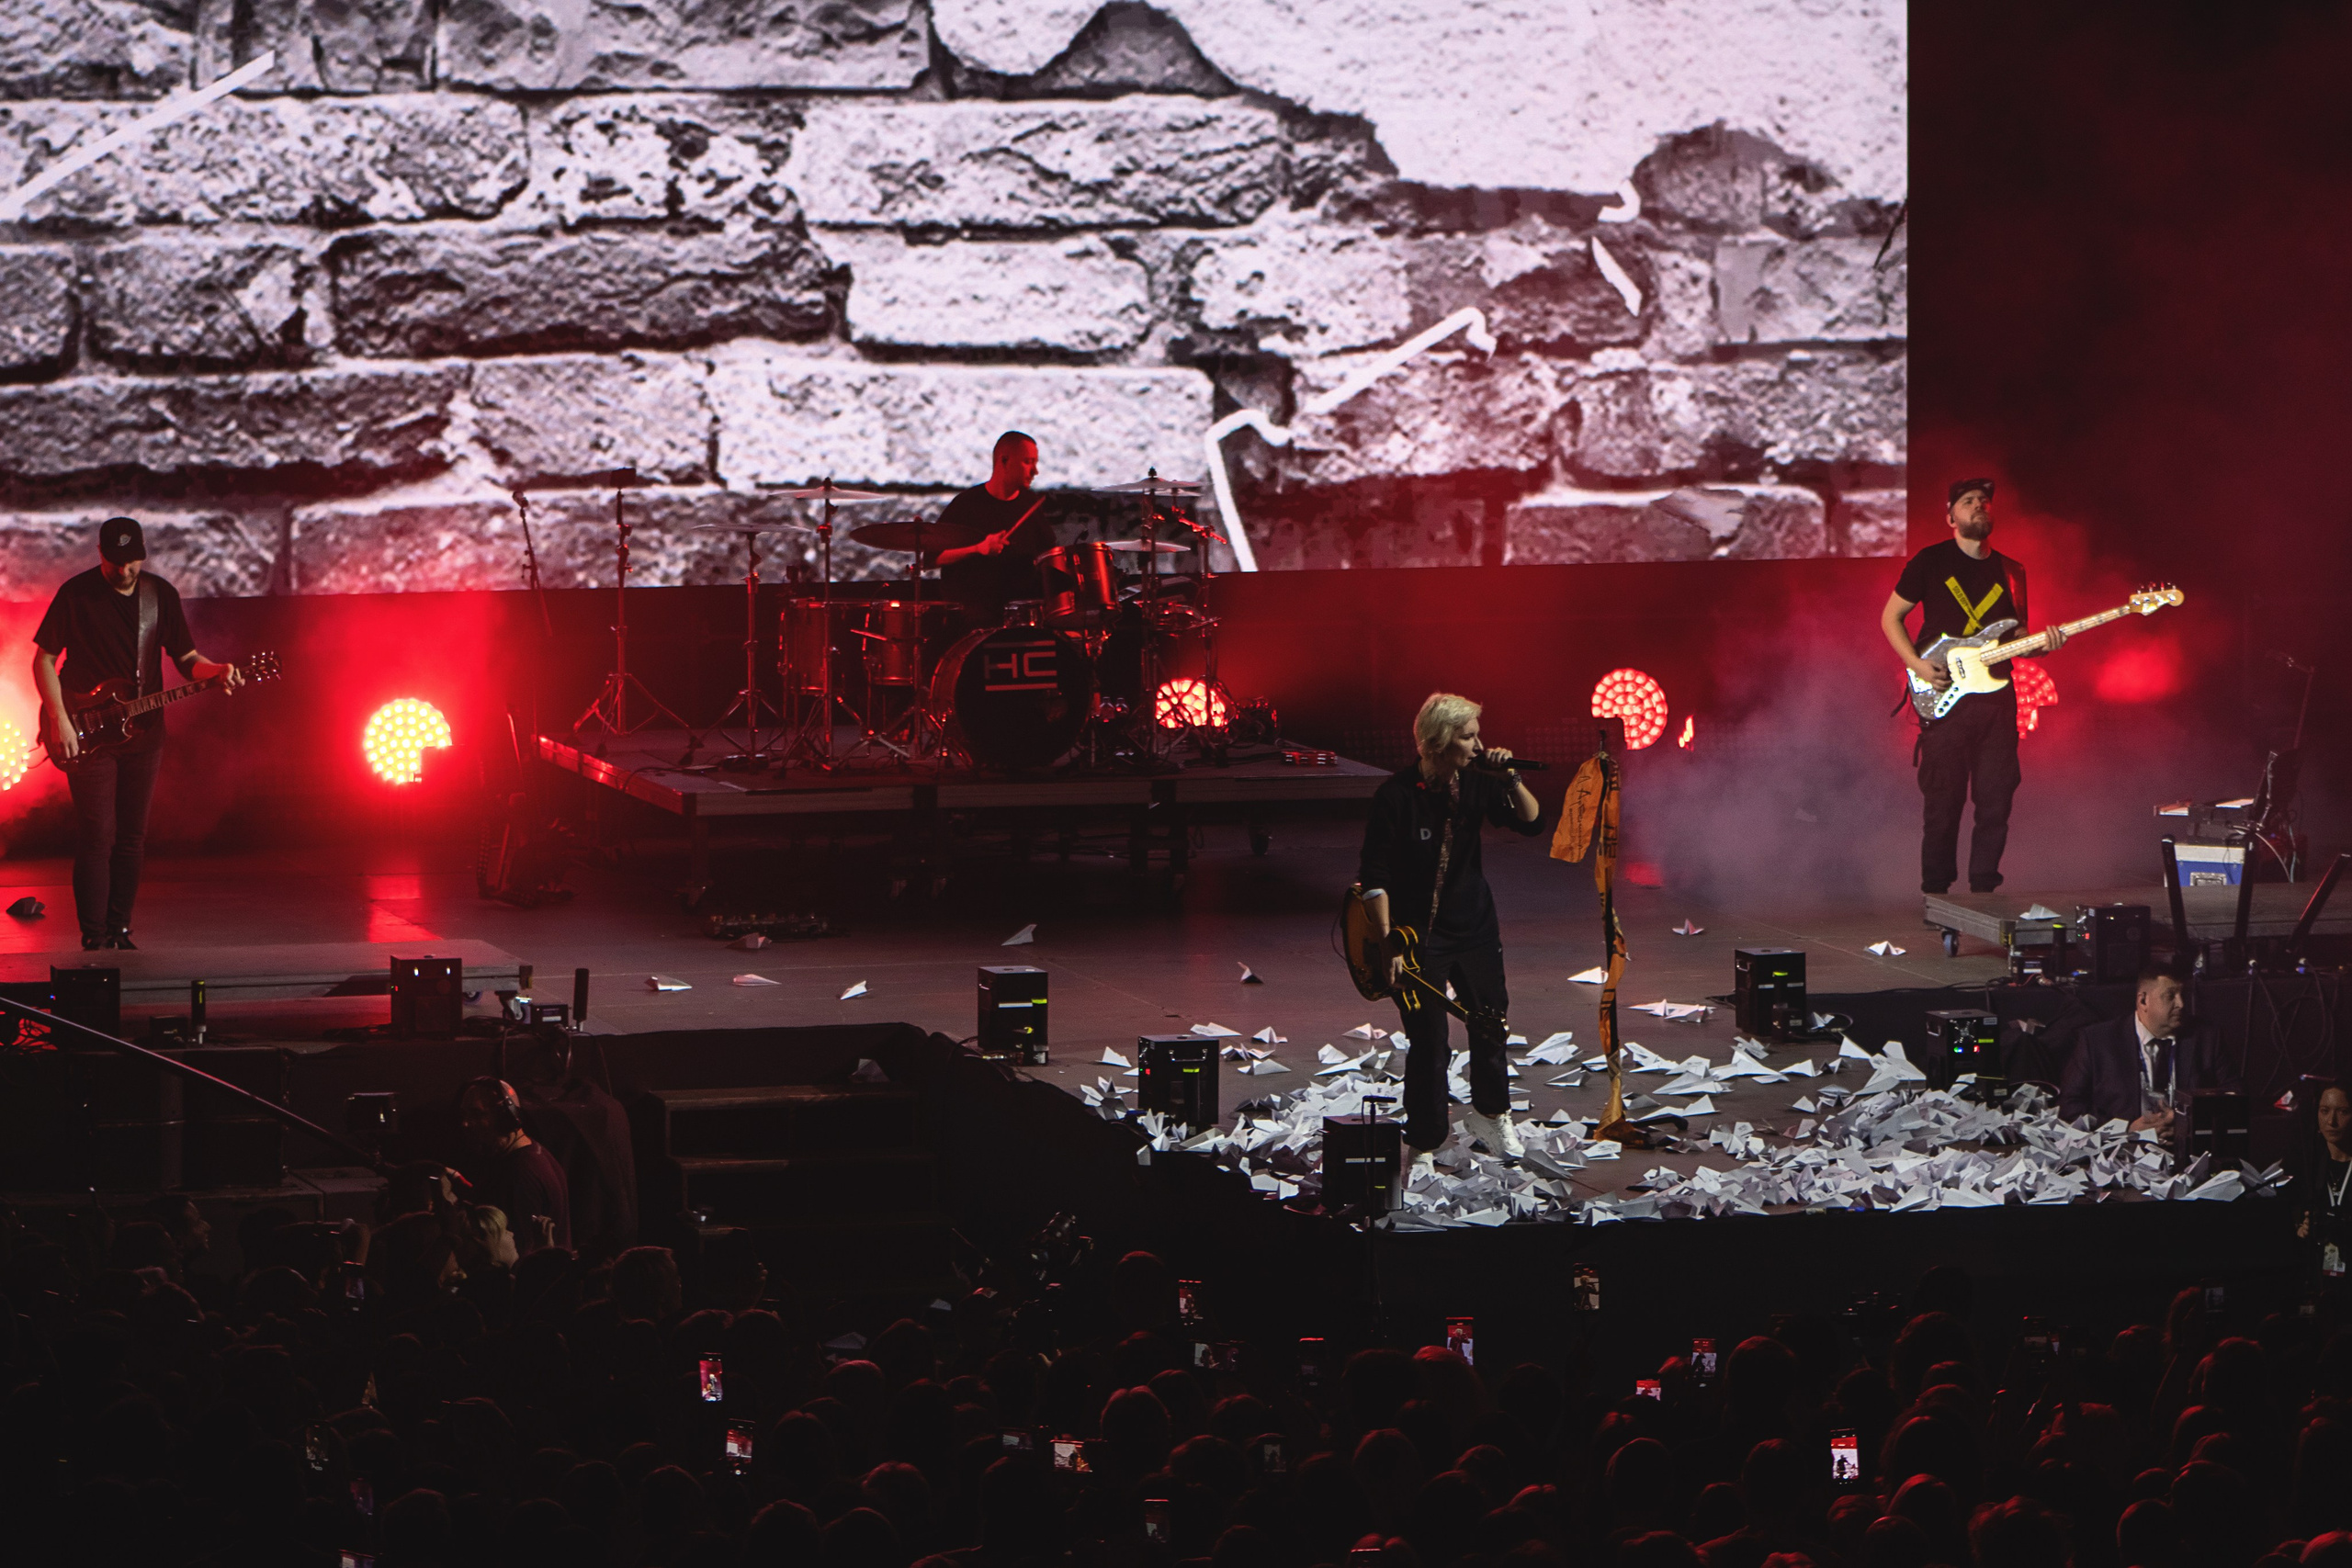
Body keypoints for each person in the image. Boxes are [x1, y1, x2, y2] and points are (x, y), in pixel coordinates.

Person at [32, 516, 244, 948]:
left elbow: (187, 659)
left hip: (143, 734)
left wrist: (216, 670)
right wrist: (59, 719)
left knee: (131, 838)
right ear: (100, 554)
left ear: (142, 556)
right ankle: (93, 938)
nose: (124, 570)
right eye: (115, 561)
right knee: (97, 837)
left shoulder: (159, 595)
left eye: (132, 561)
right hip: (86, 730)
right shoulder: (77, 593)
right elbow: (44, 660)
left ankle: (120, 929)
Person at [1355, 693, 1544, 1168]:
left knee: (1490, 1023)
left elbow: (1532, 823)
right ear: (1439, 742)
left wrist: (1511, 778)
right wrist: (1388, 943)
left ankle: (1490, 1115)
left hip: (1474, 926)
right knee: (1429, 1040)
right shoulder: (1396, 796)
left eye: (1478, 735)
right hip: (1417, 937)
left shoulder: (1477, 783)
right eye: (1468, 737)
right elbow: (1374, 876)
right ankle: (1424, 1140)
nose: (1479, 745)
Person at [1878, 478, 2065, 895]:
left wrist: (2041, 646)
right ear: (1951, 517)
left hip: (1997, 700)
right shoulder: (1930, 561)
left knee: (1996, 799)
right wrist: (1917, 665)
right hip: (1945, 695)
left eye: (1984, 500)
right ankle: (1936, 894)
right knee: (1943, 802)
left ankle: (1984, 892)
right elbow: (1891, 618)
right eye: (1968, 501)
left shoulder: (2012, 572)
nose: (1979, 505)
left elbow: (2017, 637)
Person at [2058, 966, 2240, 1138]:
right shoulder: (2097, 1041)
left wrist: (2187, 1122)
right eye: (2170, 996)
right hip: (2120, 1149)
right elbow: (2069, 1107)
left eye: (2183, 995)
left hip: (2184, 1147)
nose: (2181, 1004)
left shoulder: (2207, 1038)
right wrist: (2126, 1130)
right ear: (2143, 1000)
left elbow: (2235, 1097)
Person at [929, 432, 1057, 622]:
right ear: (1004, 461)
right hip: (973, 616)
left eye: (1035, 463)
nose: (1035, 471)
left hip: (1022, 616)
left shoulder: (1030, 503)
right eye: (1027, 462)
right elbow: (933, 558)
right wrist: (978, 548)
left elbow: (1049, 554)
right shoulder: (967, 504)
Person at [457, 1077, 571, 1254]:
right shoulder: (535, 1154)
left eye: (477, 1114)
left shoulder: (520, 1173)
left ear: (506, 1118)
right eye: (464, 1114)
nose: (465, 1123)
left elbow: (521, 1251)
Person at [2296, 1079, 2351, 1280]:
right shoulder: (2308, 1165)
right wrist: (2302, 1229)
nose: (2331, 1121)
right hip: (2316, 1275)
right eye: (2325, 1111)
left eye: (2343, 1112)